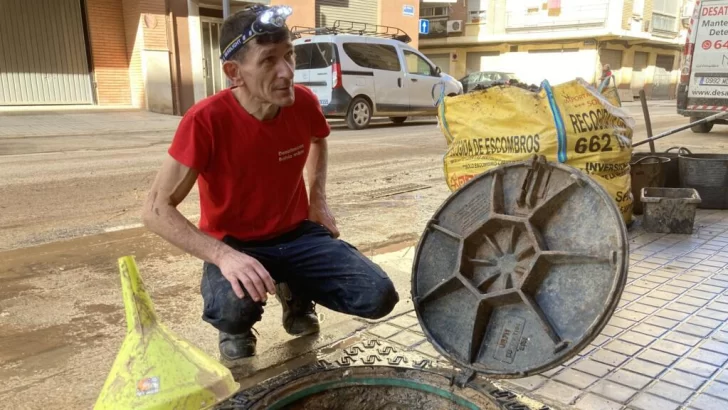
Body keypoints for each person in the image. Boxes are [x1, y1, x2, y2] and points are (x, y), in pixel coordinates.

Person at [142, 4, 399, 360]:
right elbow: (155, 210)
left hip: (296, 234)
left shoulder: (303, 103)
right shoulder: (205, 121)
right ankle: (238, 325)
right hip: (236, 244)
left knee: (377, 295)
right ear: (235, 72)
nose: (287, 72)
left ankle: (293, 289)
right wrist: (224, 256)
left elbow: (317, 139)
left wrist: (317, 201)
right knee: (232, 311)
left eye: (289, 55)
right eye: (268, 61)